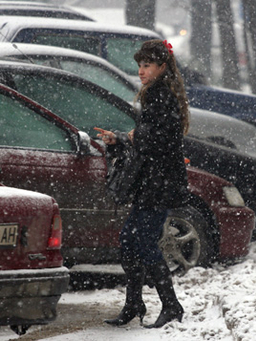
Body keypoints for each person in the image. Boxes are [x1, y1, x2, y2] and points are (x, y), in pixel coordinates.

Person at [96, 39, 190, 328]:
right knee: (129, 240)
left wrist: (136, 137)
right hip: (152, 181)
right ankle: (134, 303)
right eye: (139, 65)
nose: (140, 71)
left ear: (162, 67)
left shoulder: (160, 94)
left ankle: (171, 306)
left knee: (144, 242)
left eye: (147, 65)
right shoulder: (157, 93)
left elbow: (166, 140)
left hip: (159, 183)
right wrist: (123, 138)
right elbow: (151, 136)